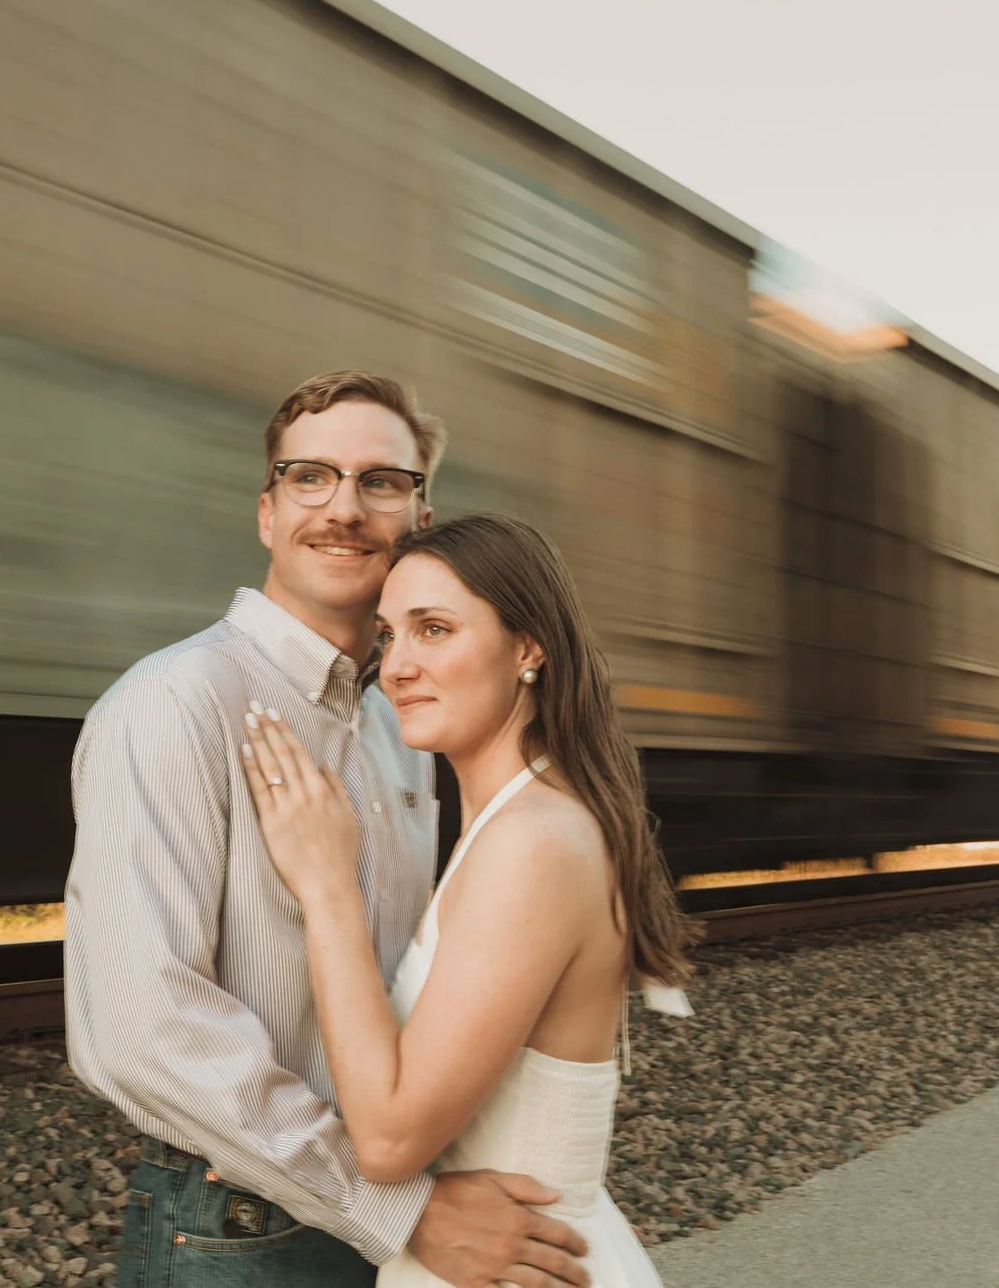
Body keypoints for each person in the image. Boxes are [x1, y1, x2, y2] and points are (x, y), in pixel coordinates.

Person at [66, 373, 596, 1287]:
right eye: (311, 477)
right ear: (268, 512)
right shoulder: (175, 702)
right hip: (244, 1232)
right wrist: (399, 1207)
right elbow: (138, 1026)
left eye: (381, 482)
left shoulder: (405, 723)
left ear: (420, 518)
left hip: (388, 1219)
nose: (344, 508)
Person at [235, 512, 697, 1287]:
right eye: (390, 635)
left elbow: (388, 1140)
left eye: (435, 629)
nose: (396, 667)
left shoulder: (533, 843)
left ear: (528, 646)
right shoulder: (518, 822)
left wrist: (327, 886)